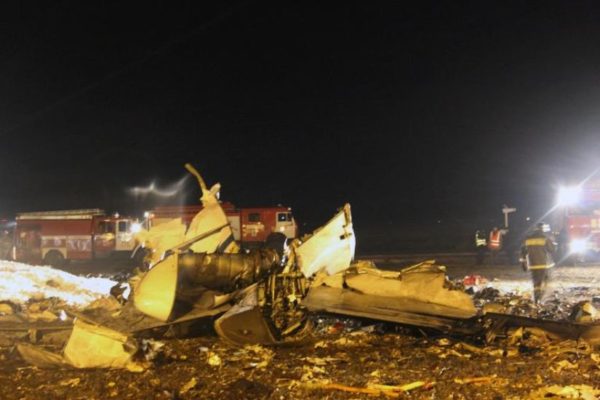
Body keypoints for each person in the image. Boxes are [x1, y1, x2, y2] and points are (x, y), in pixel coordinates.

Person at [520, 222, 556, 304]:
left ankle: (536, 299)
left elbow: (522, 252)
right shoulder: (545, 238)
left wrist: (523, 263)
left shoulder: (528, 239)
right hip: (543, 264)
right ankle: (541, 298)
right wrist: (553, 242)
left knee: (536, 283)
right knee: (544, 281)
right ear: (542, 229)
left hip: (532, 265)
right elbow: (552, 249)